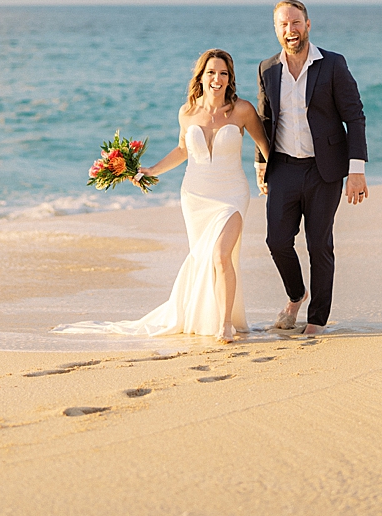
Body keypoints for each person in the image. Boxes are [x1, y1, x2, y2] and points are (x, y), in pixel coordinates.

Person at [55, 49, 271, 343]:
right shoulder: (187, 112)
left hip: (232, 193)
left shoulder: (243, 110)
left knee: (221, 255)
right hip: (195, 196)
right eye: (211, 73)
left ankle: (224, 324)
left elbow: (265, 146)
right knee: (204, 257)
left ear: (230, 79)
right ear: (201, 77)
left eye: (223, 73)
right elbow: (183, 150)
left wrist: (267, 174)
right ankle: (207, 316)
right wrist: (150, 169)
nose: (217, 79)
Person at [256, 0, 368, 336]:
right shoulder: (267, 69)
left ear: (307, 25)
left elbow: (354, 116)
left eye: (295, 23)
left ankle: (317, 319)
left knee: (319, 244)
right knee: (277, 240)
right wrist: (262, 163)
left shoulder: (333, 64)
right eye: (283, 25)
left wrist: (356, 170)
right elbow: (265, 119)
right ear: (276, 30)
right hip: (284, 169)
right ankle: (296, 294)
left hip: (325, 171)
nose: (290, 30)